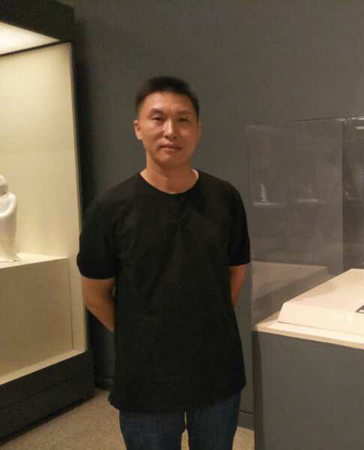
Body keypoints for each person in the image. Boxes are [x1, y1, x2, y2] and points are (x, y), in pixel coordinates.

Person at [77, 76, 250, 450]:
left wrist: (205, 325)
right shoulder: (109, 209)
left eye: (183, 119)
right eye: (157, 118)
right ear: (138, 128)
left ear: (198, 129)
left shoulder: (225, 197)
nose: (171, 130)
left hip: (217, 369)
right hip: (146, 378)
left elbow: (235, 271)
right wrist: (141, 335)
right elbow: (94, 295)